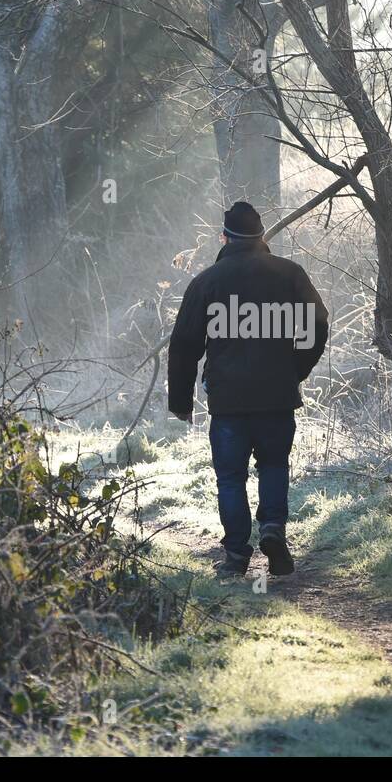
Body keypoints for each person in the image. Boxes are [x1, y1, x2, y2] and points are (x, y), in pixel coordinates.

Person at [167, 201, 329, 578]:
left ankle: (237, 555)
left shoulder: (207, 282)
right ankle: (273, 529)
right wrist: (295, 369)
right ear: (261, 237)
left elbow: (184, 344)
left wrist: (180, 401)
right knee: (274, 464)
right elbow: (317, 325)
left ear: (224, 237)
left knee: (230, 476)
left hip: (228, 401)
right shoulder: (289, 274)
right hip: (276, 396)